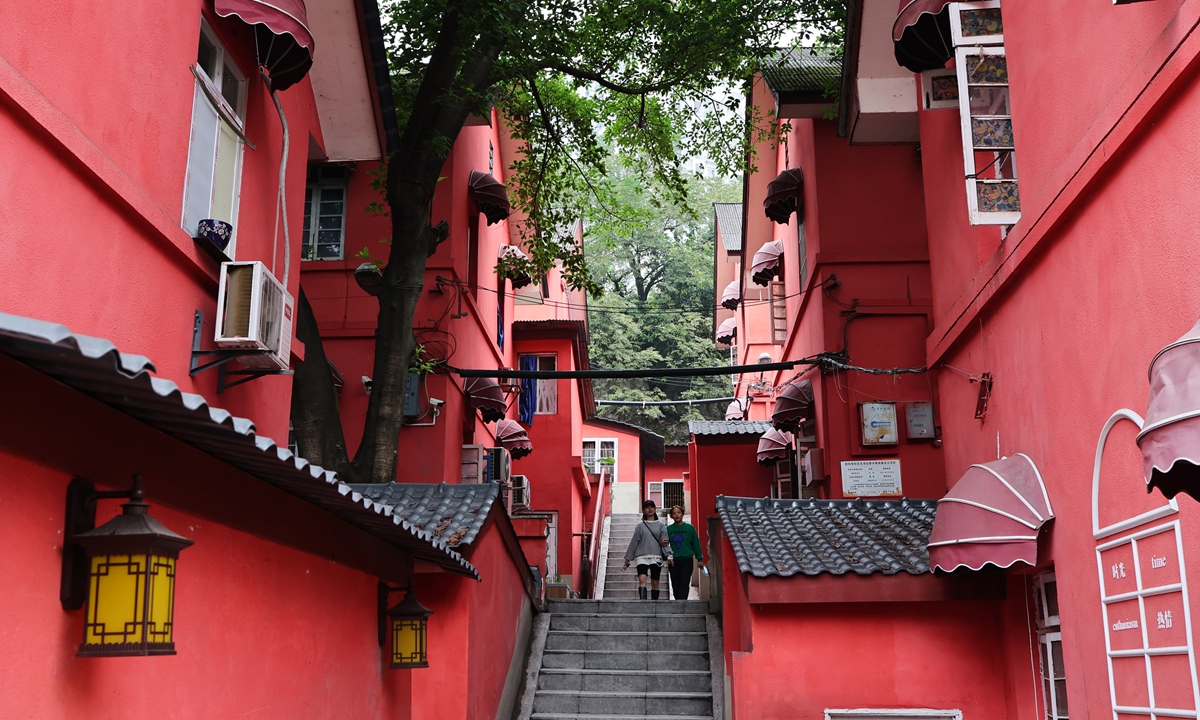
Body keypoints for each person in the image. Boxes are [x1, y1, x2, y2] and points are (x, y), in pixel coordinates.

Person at [622, 499, 672, 599]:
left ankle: (654, 605)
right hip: (642, 556)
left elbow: (665, 541)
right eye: (647, 507)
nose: (649, 509)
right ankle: (643, 604)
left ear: (655, 509)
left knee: (655, 582)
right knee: (642, 580)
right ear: (644, 510)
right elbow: (634, 541)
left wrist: (669, 555)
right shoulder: (640, 526)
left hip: (656, 555)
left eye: (652, 507)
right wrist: (628, 557)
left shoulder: (661, 525)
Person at [665, 505, 704, 600]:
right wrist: (669, 556)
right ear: (671, 516)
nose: (676, 515)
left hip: (687, 559)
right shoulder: (668, 529)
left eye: (678, 512)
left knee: (684, 582)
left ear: (682, 514)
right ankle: (678, 601)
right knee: (675, 583)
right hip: (674, 561)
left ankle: (683, 602)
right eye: (674, 513)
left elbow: (696, 543)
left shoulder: (690, 528)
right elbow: (666, 545)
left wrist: (700, 558)